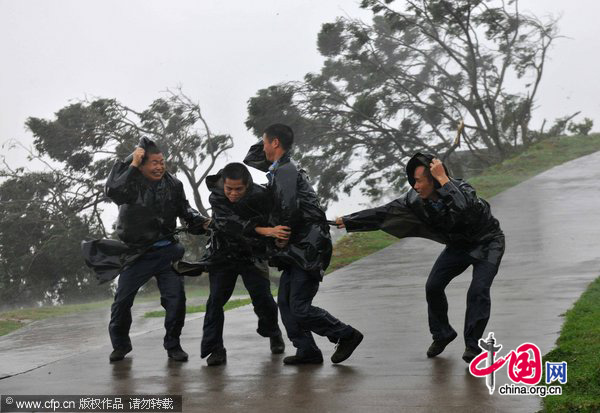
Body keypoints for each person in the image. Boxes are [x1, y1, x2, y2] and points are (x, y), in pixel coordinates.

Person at [336, 153, 504, 363]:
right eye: (413, 181)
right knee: (433, 286)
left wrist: (444, 180)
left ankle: (473, 346)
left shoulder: (463, 190)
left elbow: (464, 211)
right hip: (459, 246)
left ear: (434, 179)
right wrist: (349, 221)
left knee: (478, 291)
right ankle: (442, 334)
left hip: (488, 242)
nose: (415, 186)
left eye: (419, 181)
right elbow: (383, 213)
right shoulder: (414, 200)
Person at [244, 124, 363, 365]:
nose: (262, 146)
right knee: (286, 303)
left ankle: (346, 334)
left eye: (265, 141)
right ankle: (307, 349)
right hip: (298, 246)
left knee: (298, 306)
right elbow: (250, 158)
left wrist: (282, 234)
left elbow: (289, 207)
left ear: (275, 143)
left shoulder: (286, 170)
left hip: (307, 246)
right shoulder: (280, 168)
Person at [105, 137, 209, 362]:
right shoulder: (130, 184)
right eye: (153, 162)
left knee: (176, 300)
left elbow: (185, 210)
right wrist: (131, 162)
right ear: (141, 164)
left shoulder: (173, 184)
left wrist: (203, 222)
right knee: (122, 301)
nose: (159, 167)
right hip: (137, 254)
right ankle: (120, 345)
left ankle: (173, 345)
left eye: (162, 162)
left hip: (167, 253)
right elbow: (114, 190)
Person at [200, 162, 286, 366]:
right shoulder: (217, 195)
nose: (233, 193)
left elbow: (274, 219)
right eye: (229, 188)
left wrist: (276, 236)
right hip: (224, 253)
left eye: (239, 189)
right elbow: (228, 224)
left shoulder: (261, 195)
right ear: (223, 184)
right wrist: (263, 230)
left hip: (253, 253)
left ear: (247, 184)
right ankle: (215, 349)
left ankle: (273, 332)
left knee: (263, 297)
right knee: (215, 302)